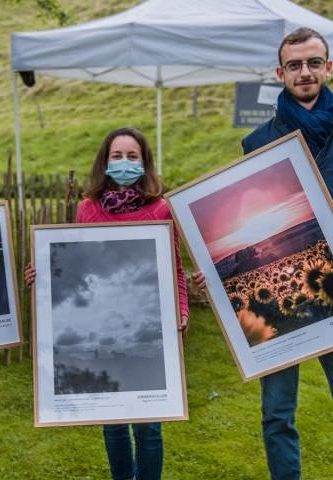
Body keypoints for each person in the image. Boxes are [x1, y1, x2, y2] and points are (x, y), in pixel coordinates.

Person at [193, 27, 333, 480]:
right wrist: (216, 272)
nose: (305, 71)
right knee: (277, 413)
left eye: (314, 62)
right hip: (278, 291)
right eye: (295, 64)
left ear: (328, 67)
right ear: (281, 73)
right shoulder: (259, 141)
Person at [25, 126, 189, 480]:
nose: (125, 162)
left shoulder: (160, 209)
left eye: (133, 156)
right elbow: (78, 267)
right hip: (101, 326)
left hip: (149, 327)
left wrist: (182, 309)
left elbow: (174, 268)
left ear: (145, 164)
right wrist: (45, 276)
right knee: (112, 422)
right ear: (105, 161)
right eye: (118, 156)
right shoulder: (88, 209)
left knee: (149, 427)